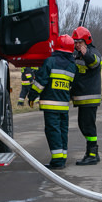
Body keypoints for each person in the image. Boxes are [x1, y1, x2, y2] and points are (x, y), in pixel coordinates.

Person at [26, 35, 77, 169]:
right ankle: (62, 158)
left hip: (50, 104)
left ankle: (57, 161)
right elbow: (72, 86)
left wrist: (32, 96)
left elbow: (40, 82)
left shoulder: (50, 62)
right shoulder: (72, 66)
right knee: (62, 130)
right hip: (64, 106)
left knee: (52, 131)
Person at [70, 26, 102, 165]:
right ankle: (92, 153)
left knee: (88, 125)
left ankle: (92, 154)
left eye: (79, 42)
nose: (77, 45)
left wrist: (86, 53)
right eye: (75, 42)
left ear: (86, 42)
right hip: (81, 98)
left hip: (89, 98)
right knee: (83, 125)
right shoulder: (77, 55)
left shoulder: (93, 53)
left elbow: (95, 63)